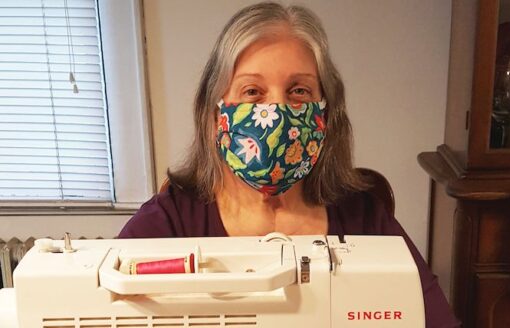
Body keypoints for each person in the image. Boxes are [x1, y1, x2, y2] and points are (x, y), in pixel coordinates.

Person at [119, 2, 460, 327]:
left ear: (326, 114)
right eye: (252, 92)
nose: (277, 114)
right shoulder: (167, 225)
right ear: (214, 115)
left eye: (299, 91)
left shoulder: (365, 219)